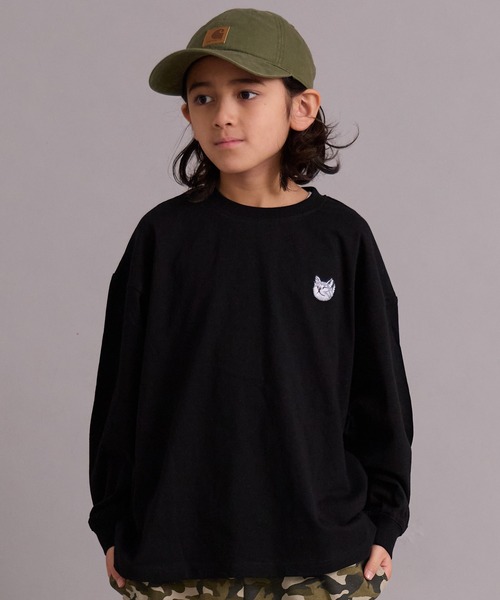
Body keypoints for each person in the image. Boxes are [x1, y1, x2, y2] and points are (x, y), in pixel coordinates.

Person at [88, 8, 413, 600]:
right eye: (203, 98)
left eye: (246, 92)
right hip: (174, 554)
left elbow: (380, 392)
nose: (223, 114)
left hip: (322, 556)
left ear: (301, 108)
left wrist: (386, 521)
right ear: (187, 115)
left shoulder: (342, 239)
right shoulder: (162, 239)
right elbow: (119, 391)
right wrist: (112, 523)